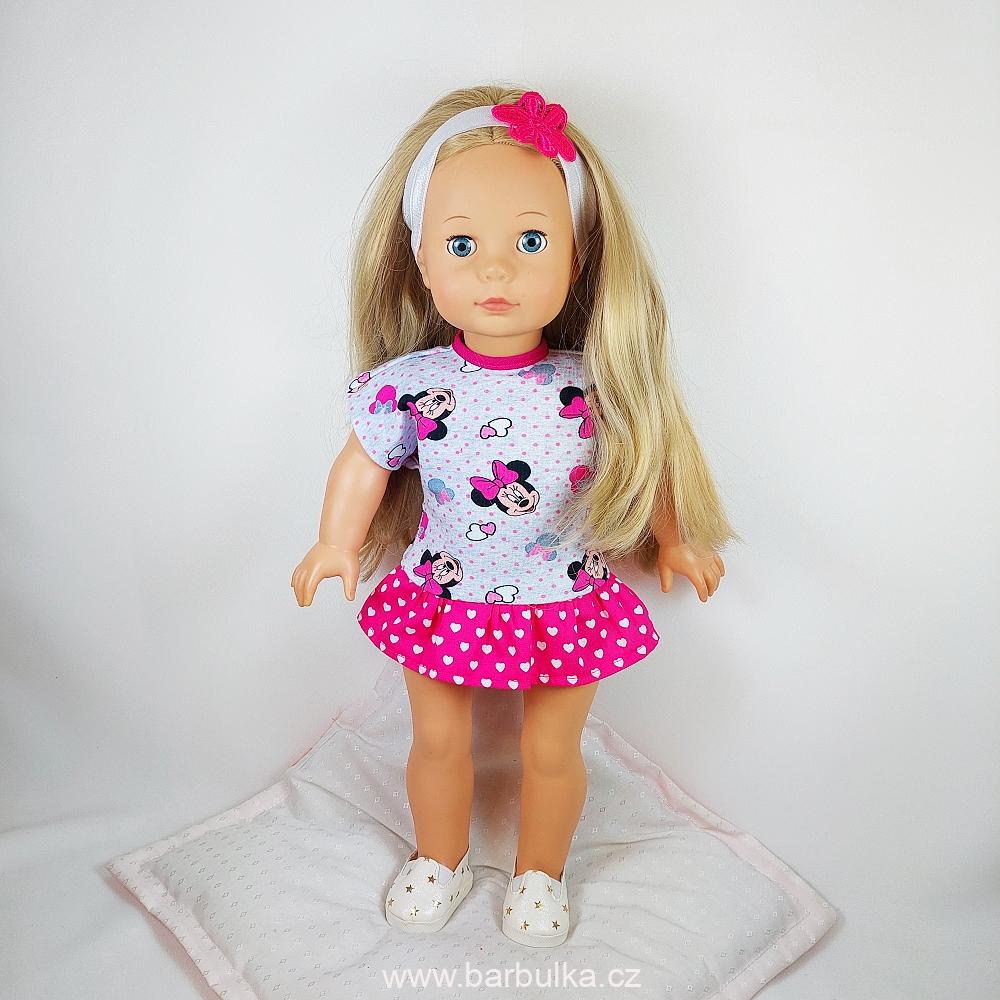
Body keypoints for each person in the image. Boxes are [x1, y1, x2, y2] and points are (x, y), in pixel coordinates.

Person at [291, 85, 738, 947]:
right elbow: (363, 463)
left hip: (565, 596)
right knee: (436, 742)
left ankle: (540, 872)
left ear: (576, 256)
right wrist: (334, 542)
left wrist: (677, 538)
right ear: (421, 259)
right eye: (462, 244)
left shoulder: (592, 383)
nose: (495, 271)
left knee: (552, 751)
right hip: (441, 594)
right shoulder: (411, 385)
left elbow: (650, 460)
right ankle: (440, 858)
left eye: (531, 241)